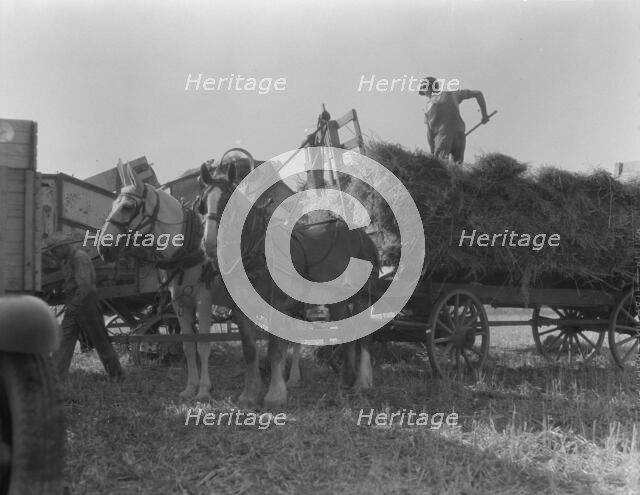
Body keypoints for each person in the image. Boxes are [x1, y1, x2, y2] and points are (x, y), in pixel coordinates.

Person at [46, 232, 124, 380]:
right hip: (75, 302)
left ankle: (117, 375)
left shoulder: (79, 258)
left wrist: (73, 305)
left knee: (100, 341)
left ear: (63, 247)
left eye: (54, 250)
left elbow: (85, 286)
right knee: (64, 339)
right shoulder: (66, 260)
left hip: (86, 303)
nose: (53, 254)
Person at [419, 76, 490, 163]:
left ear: (427, 87)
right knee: (457, 168)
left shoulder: (427, 107)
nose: (423, 92)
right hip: (459, 136)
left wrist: (432, 153)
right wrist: (484, 115)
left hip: (442, 139)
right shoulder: (452, 94)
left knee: (440, 168)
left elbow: (429, 134)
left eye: (422, 88)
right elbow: (478, 93)